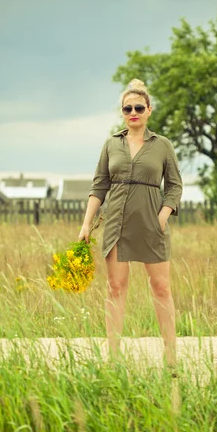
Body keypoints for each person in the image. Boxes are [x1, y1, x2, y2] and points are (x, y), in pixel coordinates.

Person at [78, 78, 183, 371]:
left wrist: (161, 218)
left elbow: (174, 186)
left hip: (152, 225)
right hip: (117, 224)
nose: (133, 112)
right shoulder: (111, 144)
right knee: (115, 287)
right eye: (128, 108)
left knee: (161, 288)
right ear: (122, 112)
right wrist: (86, 224)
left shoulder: (162, 145)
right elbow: (98, 186)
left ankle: (171, 358)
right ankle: (113, 359)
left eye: (139, 107)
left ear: (149, 110)